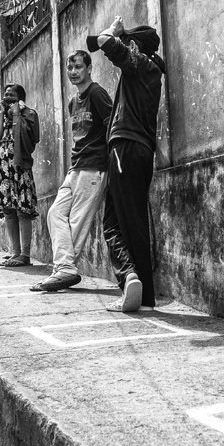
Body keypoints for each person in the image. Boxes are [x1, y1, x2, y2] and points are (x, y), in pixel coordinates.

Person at [86, 17, 165, 313]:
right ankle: (143, 296)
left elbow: (106, 42)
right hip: (141, 151)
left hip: (125, 147)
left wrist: (115, 30)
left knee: (112, 224)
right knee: (134, 221)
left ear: (134, 46)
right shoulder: (151, 71)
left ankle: (128, 276)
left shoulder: (139, 64)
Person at [30, 50, 112, 292]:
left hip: (95, 166)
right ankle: (65, 269)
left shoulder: (97, 93)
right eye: (70, 68)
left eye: (78, 67)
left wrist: (113, 160)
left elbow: (112, 125)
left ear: (89, 68)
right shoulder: (73, 102)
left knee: (77, 221)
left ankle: (63, 270)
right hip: (76, 166)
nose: (73, 72)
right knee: (55, 213)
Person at [0, 83, 40, 267]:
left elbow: (30, 139)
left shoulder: (29, 114)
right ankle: (15, 252)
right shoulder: (4, 115)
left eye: (11, 94)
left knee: (22, 210)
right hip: (2, 166)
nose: (7, 97)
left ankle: (25, 254)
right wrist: (2, 114)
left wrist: (17, 113)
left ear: (20, 98)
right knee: (9, 211)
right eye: (5, 94)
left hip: (19, 166)